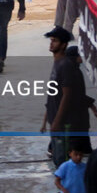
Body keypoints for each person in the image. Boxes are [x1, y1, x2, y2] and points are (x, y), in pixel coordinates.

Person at [41, 26, 84, 168]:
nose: (51, 43)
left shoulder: (65, 65)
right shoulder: (57, 63)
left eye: (55, 41)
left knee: (63, 161)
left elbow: (67, 95)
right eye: (51, 40)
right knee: (58, 158)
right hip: (55, 120)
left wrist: (57, 121)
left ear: (64, 44)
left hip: (64, 123)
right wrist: (47, 119)